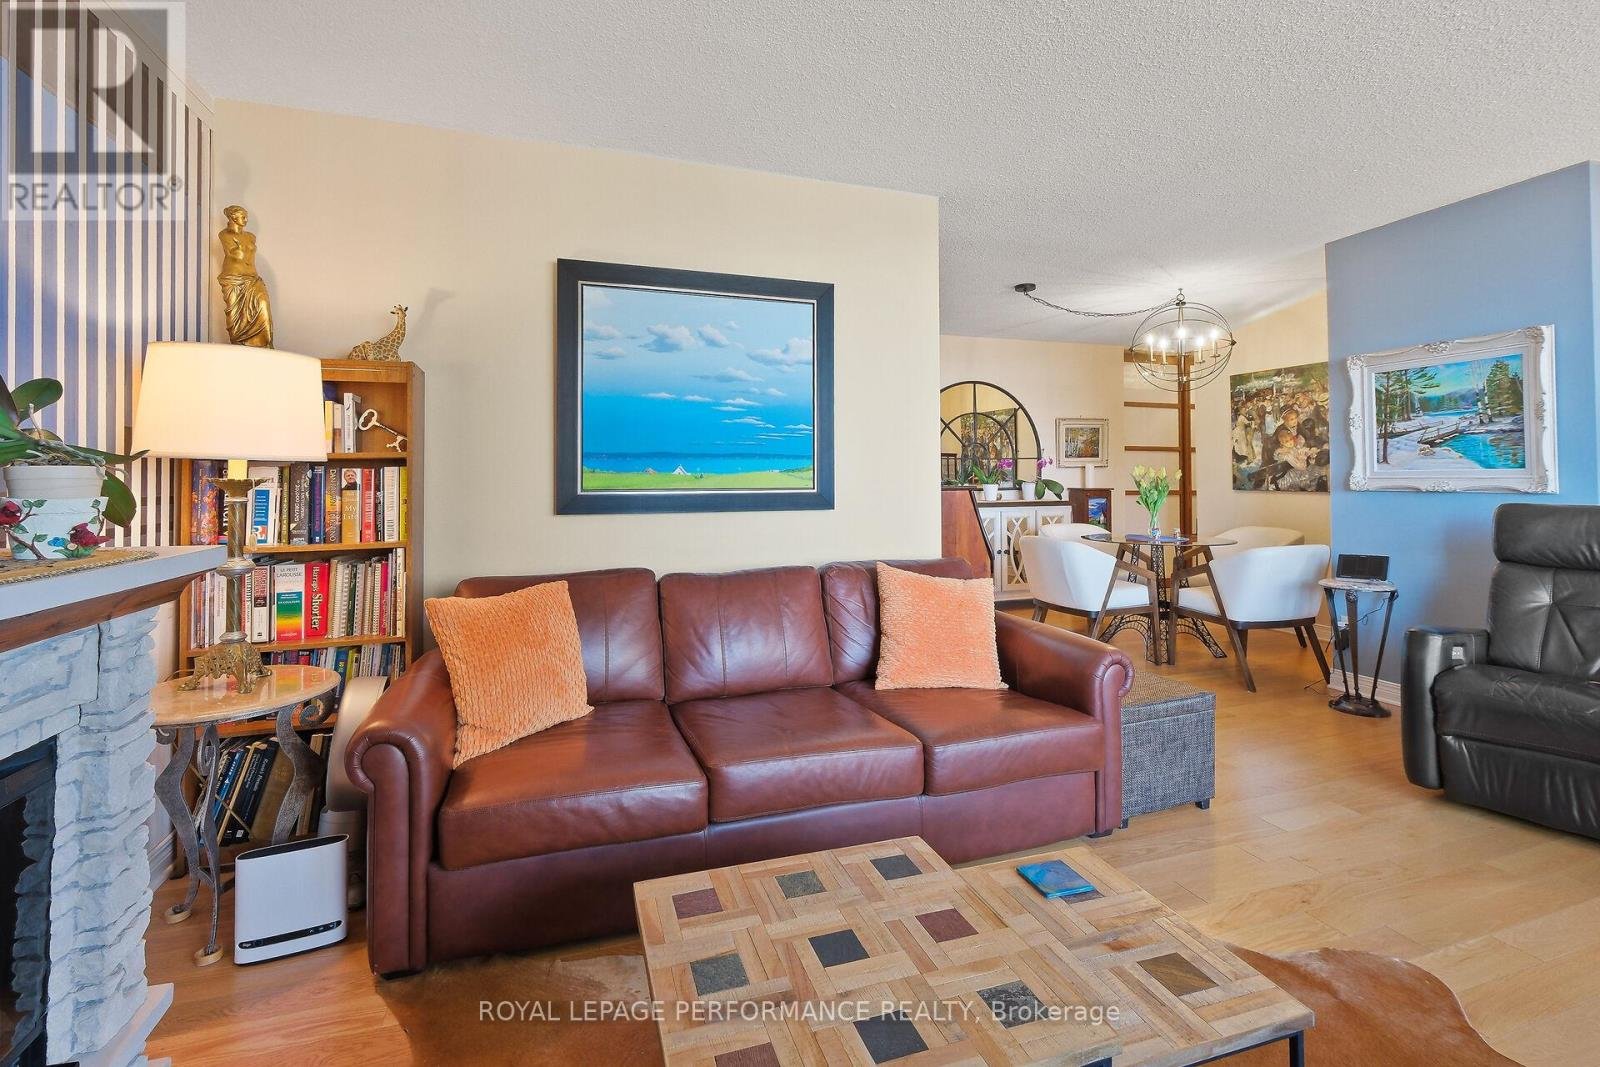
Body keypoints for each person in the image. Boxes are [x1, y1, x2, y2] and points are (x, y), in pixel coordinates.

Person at [218, 205, 274, 348]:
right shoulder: (224, 235)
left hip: (253, 279)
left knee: (263, 305)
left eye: (246, 216)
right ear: (233, 218)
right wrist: (238, 248)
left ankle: (266, 345)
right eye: (243, 216)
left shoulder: (251, 237)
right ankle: (239, 345)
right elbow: (235, 255)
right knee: (235, 318)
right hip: (233, 280)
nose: (246, 220)